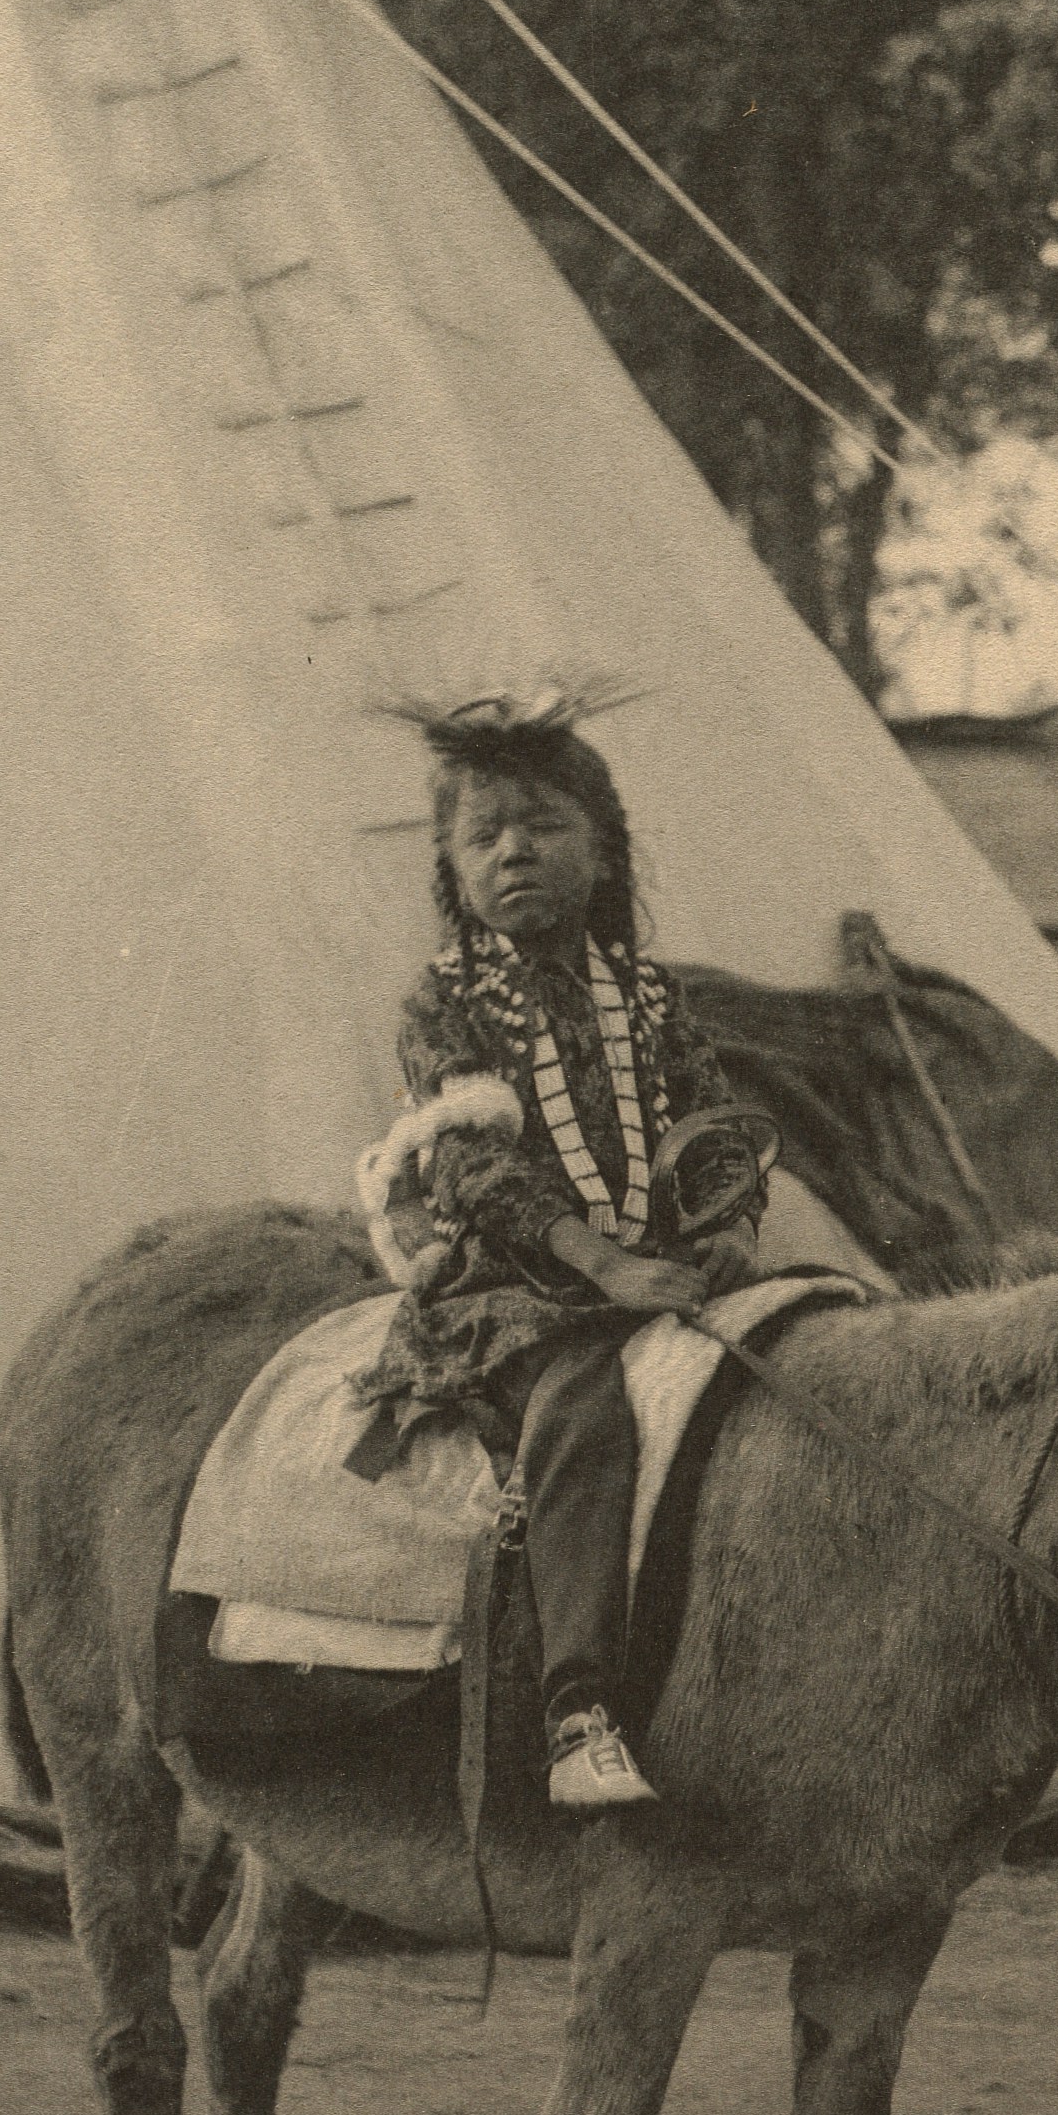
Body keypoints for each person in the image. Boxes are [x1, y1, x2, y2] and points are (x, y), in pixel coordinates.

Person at [353, 692, 772, 1812]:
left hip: (659, 1268)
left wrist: (726, 1224)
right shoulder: (444, 1004)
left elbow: (712, 1119)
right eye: (482, 835)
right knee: (583, 1407)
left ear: (602, 843)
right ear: (451, 867)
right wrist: (605, 1266)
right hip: (514, 1290)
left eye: (542, 824)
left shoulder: (644, 994)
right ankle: (576, 1710)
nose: (514, 852)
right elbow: (476, 1170)